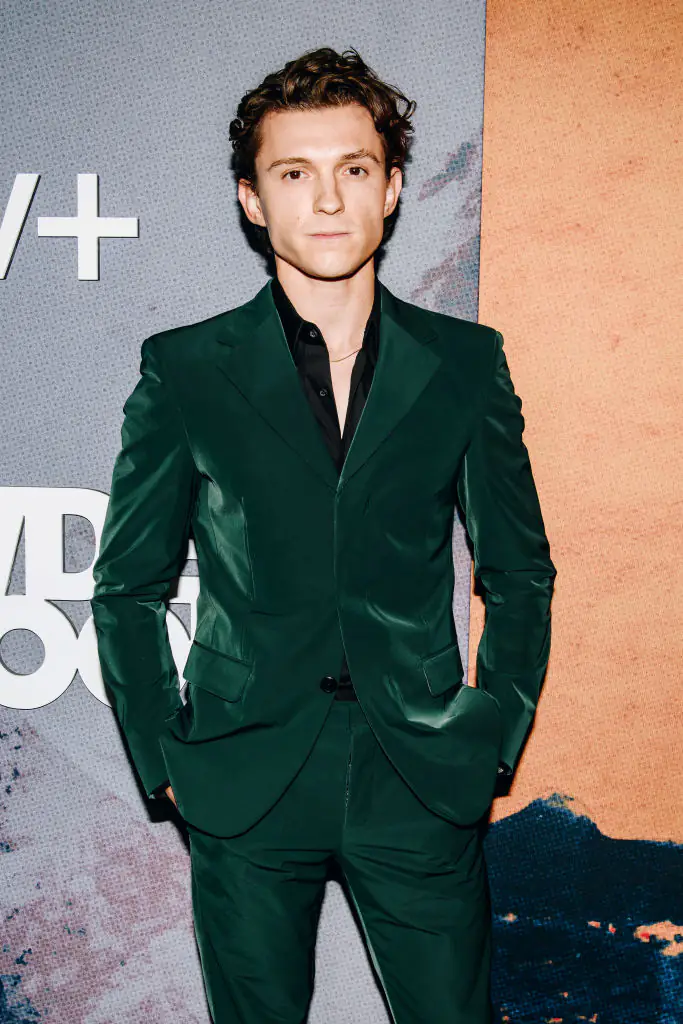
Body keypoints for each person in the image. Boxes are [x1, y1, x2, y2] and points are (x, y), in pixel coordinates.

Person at [92, 46, 556, 1024]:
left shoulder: (465, 364)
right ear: (251, 200)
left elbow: (517, 571)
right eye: (293, 173)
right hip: (244, 774)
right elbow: (127, 585)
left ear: (391, 187)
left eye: (353, 168)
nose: (329, 199)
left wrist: (490, 733)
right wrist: (164, 755)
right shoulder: (185, 369)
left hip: (418, 773)